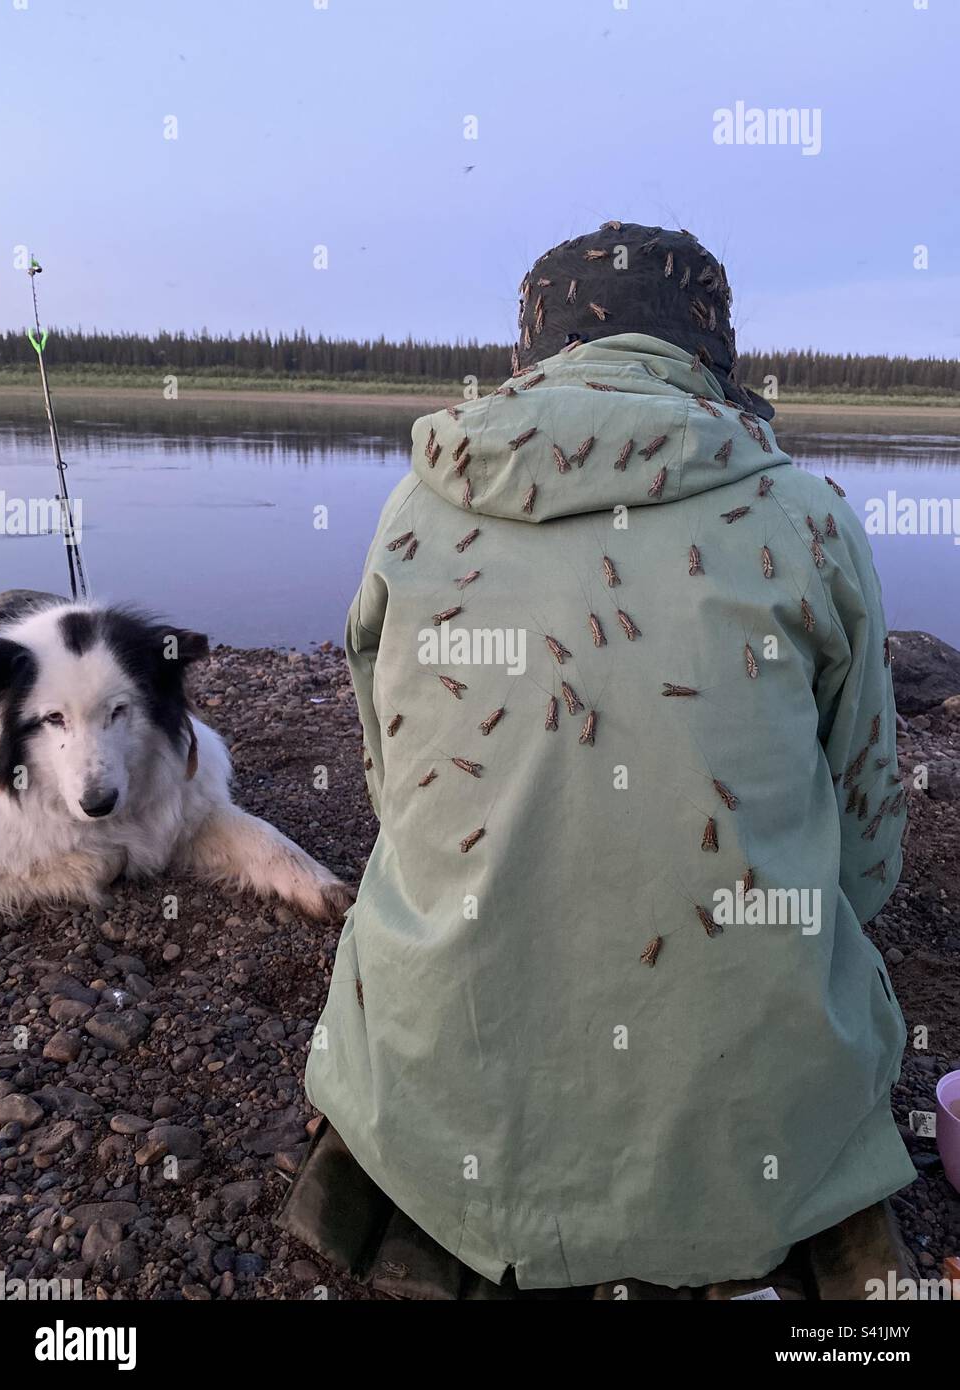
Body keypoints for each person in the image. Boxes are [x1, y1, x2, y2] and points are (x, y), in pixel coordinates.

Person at [305, 222, 914, 1290]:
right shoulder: (808, 518)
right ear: (713, 360)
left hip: (446, 1112)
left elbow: (394, 798)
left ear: (529, 359)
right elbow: (866, 853)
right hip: (755, 1128)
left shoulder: (415, 511)